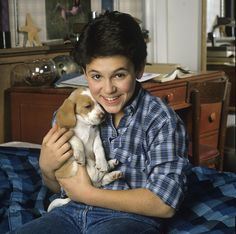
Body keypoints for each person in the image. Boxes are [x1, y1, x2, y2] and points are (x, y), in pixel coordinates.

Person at [10, 11, 189, 234]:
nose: (108, 89)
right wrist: (47, 169)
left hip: (128, 218)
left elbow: (165, 203)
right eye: (96, 76)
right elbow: (60, 184)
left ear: (139, 69)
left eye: (119, 75)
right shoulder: (72, 112)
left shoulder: (161, 120)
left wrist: (88, 194)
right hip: (68, 212)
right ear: (85, 73)